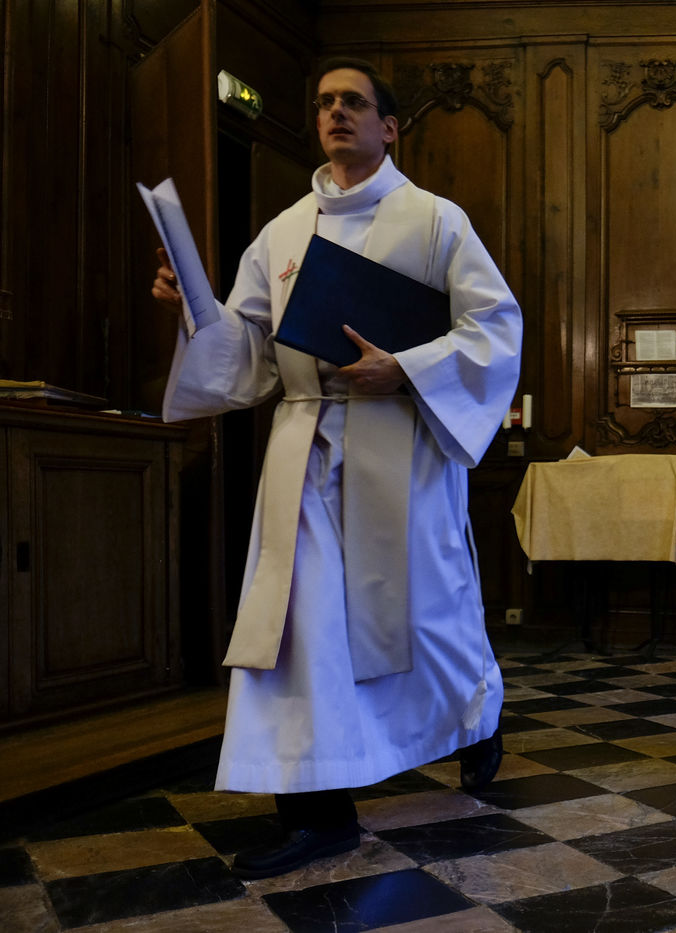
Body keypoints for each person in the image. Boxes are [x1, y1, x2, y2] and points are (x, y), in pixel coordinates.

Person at [151, 57, 522, 878]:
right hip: (306, 451)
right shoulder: (282, 233)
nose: (336, 112)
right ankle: (317, 811)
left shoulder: (435, 220)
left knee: (427, 619)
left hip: (401, 446)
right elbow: (247, 355)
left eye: (353, 101)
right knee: (299, 627)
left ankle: (476, 717)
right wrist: (195, 314)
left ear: (389, 127)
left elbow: (495, 328)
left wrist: (407, 369)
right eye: (324, 102)